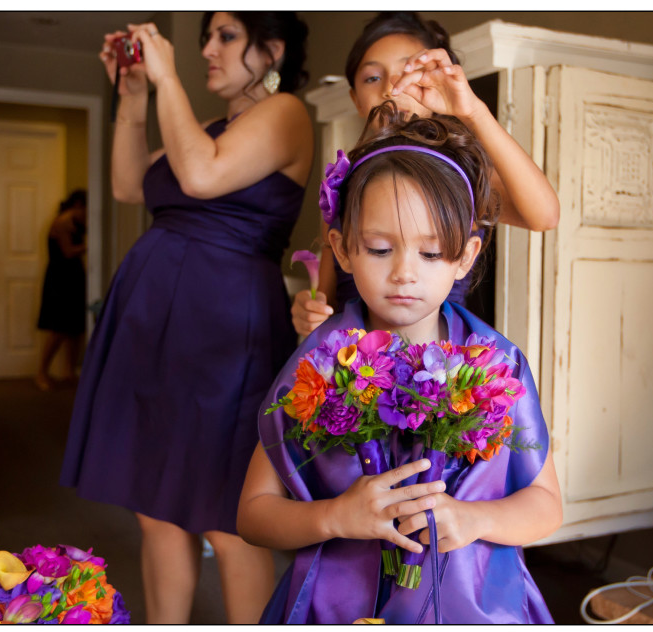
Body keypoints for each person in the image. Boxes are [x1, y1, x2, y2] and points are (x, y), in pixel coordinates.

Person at [238, 104, 562, 624]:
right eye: (381, 248)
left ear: (467, 255)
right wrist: (334, 517)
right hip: (339, 605)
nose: (405, 274)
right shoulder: (314, 369)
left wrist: (474, 519)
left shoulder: (498, 364)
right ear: (343, 250)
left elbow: (546, 504)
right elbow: (253, 515)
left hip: (474, 606)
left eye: (432, 254)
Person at [59, 12, 312, 624]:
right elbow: (127, 183)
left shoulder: (287, 115)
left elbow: (199, 174)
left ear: (271, 49)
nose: (207, 49)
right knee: (158, 506)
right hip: (152, 323)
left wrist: (167, 73)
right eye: (206, 37)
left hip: (224, 329)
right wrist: (137, 95)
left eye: (225, 36)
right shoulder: (205, 126)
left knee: (228, 516)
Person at [290, 12, 560, 337]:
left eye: (409, 71)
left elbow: (544, 216)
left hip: (437, 369)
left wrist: (472, 110)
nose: (392, 87)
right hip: (357, 371)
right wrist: (310, 307)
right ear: (355, 99)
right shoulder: (342, 183)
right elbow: (328, 296)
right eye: (372, 78)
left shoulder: (462, 178)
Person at [34, 189, 88, 392]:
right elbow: (67, 251)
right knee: (58, 329)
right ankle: (41, 372)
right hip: (60, 278)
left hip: (73, 276)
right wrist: (90, 246)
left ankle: (69, 372)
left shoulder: (78, 222)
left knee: (75, 329)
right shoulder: (64, 222)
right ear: (78, 205)